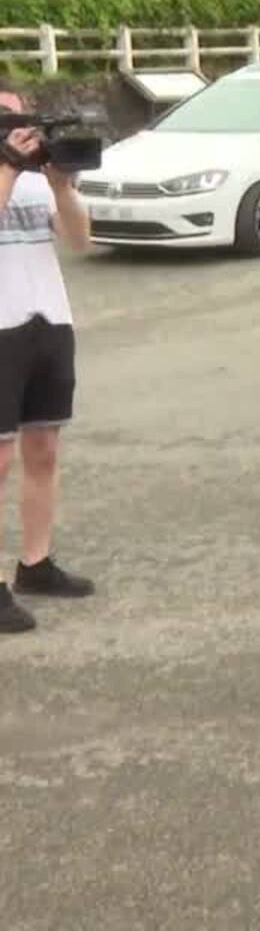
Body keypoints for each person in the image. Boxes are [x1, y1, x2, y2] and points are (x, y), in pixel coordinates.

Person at [0, 91, 97, 634]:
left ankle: (35, 564)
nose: (16, 127)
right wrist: (9, 167)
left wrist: (61, 186)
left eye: (20, 116)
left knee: (43, 450)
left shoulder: (39, 176)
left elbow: (81, 241)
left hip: (49, 321)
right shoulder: (11, 171)